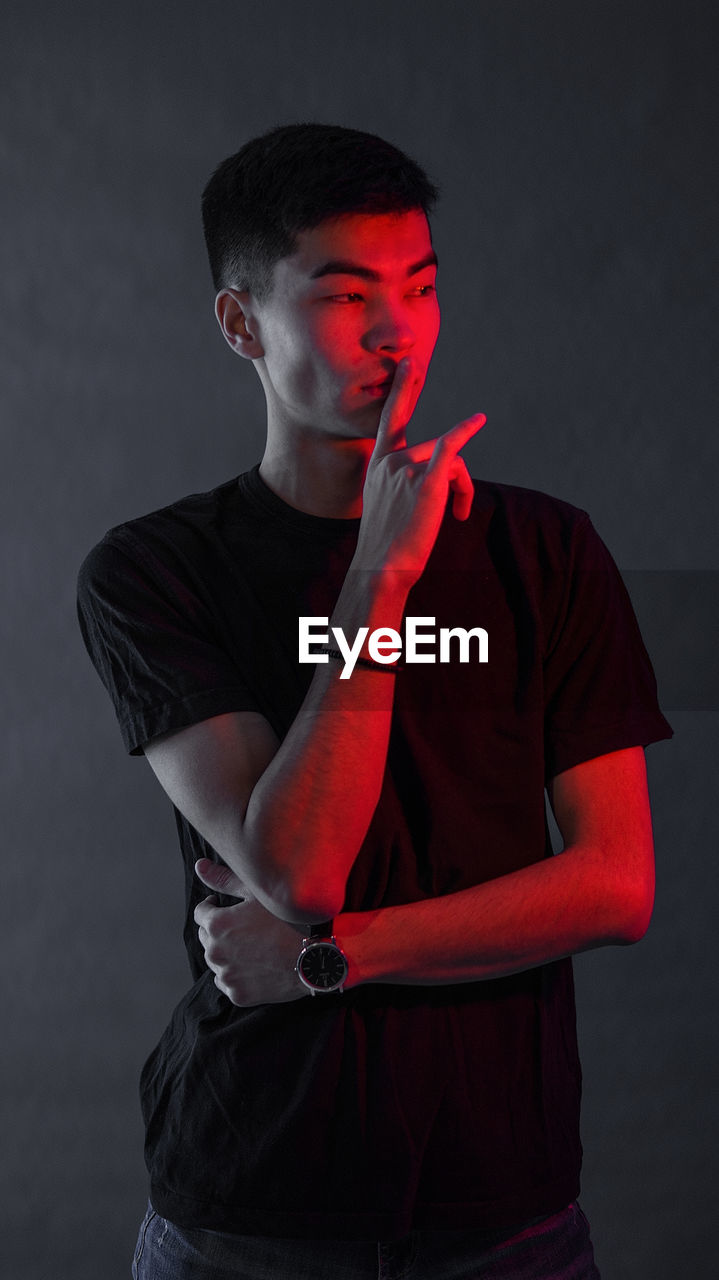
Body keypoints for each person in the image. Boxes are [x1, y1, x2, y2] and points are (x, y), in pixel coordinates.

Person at [77, 123, 672, 1280]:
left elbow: (614, 880)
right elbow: (298, 866)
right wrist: (377, 581)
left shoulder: (545, 549)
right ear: (242, 323)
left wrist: (329, 957)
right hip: (252, 1202)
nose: (398, 332)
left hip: (506, 1202)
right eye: (347, 295)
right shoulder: (154, 571)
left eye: (420, 286)